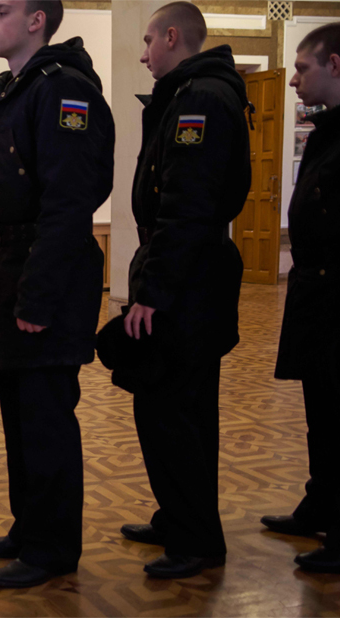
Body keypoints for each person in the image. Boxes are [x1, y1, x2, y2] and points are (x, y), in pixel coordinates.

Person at [0, 0, 113, 588]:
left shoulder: (64, 91)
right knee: (20, 415)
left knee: (47, 417)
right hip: (12, 273)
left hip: (47, 277)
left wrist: (38, 299)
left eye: (2, 11)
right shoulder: (18, 92)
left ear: (37, 21)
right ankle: (29, 527)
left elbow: (68, 206)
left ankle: (53, 548)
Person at [119, 2, 250, 579]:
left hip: (187, 281)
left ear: (173, 36)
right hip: (189, 274)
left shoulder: (200, 98)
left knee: (172, 408)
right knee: (180, 407)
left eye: (148, 41)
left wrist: (153, 289)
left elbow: (187, 206)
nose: (144, 54)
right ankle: (181, 518)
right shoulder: (195, 93)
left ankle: (196, 539)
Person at [262, 22, 340, 574]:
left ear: (336, 65)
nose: (294, 79)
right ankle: (320, 505)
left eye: (302, 68)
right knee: (321, 414)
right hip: (317, 293)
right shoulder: (330, 127)